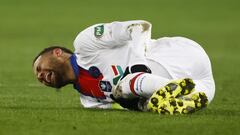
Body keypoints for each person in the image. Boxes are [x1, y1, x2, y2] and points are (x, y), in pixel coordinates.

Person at [33, 20, 215, 114]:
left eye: (39, 67)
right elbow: (127, 108)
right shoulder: (89, 101)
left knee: (125, 85)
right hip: (204, 88)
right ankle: (171, 100)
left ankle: (163, 93)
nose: (40, 76)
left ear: (57, 52)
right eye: (38, 77)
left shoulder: (85, 43)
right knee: (132, 98)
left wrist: (137, 65)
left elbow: (139, 26)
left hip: (179, 55)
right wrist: (138, 106)